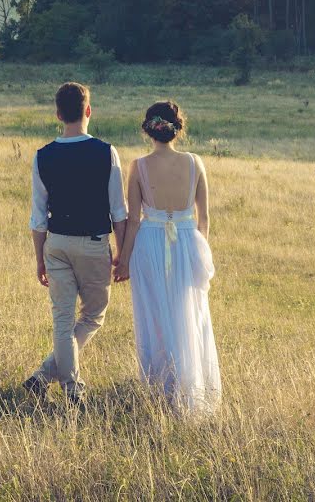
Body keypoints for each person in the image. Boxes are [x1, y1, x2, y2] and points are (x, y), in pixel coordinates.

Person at [114, 101, 221, 414]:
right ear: (178, 128)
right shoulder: (195, 162)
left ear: (149, 128)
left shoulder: (139, 166)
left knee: (155, 317)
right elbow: (204, 218)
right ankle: (189, 389)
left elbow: (133, 220)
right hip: (188, 242)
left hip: (150, 243)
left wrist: (123, 259)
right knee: (189, 314)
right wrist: (200, 252)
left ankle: (163, 388)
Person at [23, 82, 127, 405]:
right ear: (88, 111)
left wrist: (39, 258)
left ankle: (45, 376)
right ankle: (72, 388)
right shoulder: (106, 152)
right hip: (94, 245)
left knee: (62, 320)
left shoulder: (43, 156)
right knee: (93, 315)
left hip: (55, 244)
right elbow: (119, 211)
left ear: (57, 114)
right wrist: (123, 254)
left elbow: (38, 217)